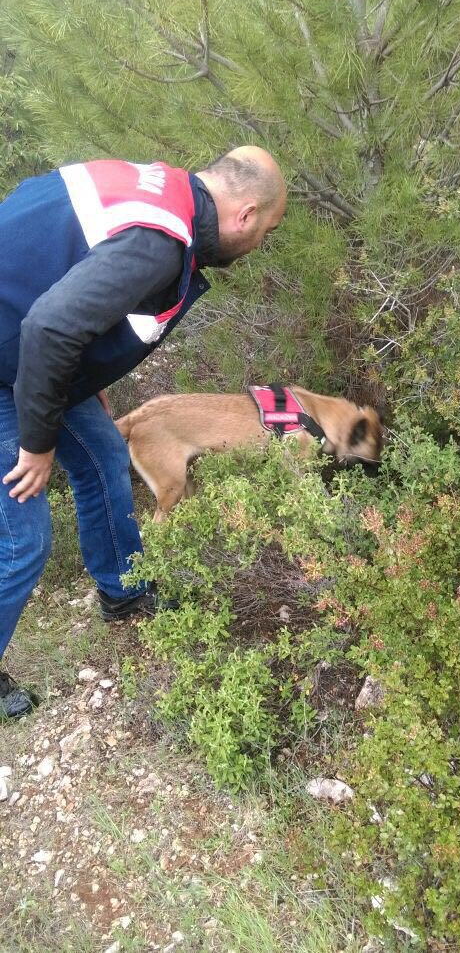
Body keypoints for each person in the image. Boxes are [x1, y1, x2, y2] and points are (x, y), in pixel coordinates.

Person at [0, 147, 287, 719]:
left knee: (106, 455)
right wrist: (37, 444)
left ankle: (123, 589)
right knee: (22, 542)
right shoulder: (160, 239)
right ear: (246, 215)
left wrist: (88, 375)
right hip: (13, 364)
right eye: (267, 233)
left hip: (25, 355)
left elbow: (57, 267)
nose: (260, 247)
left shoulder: (156, 188)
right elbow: (52, 325)